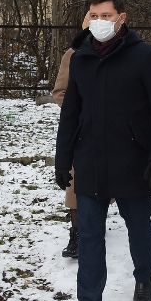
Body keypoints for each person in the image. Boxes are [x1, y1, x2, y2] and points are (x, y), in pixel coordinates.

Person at [54, 0, 151, 301]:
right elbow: (71, 113)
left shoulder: (144, 57)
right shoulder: (81, 58)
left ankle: (143, 277)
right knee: (90, 234)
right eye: (94, 16)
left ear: (121, 18)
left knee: (138, 225)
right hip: (90, 160)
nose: (99, 22)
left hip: (132, 159)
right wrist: (63, 159)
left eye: (106, 16)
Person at [51, 13, 94, 258]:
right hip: (80, 131)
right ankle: (76, 234)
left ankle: (94, 225)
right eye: (91, 20)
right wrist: (79, 112)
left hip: (112, 133)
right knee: (75, 186)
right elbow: (60, 92)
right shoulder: (73, 54)